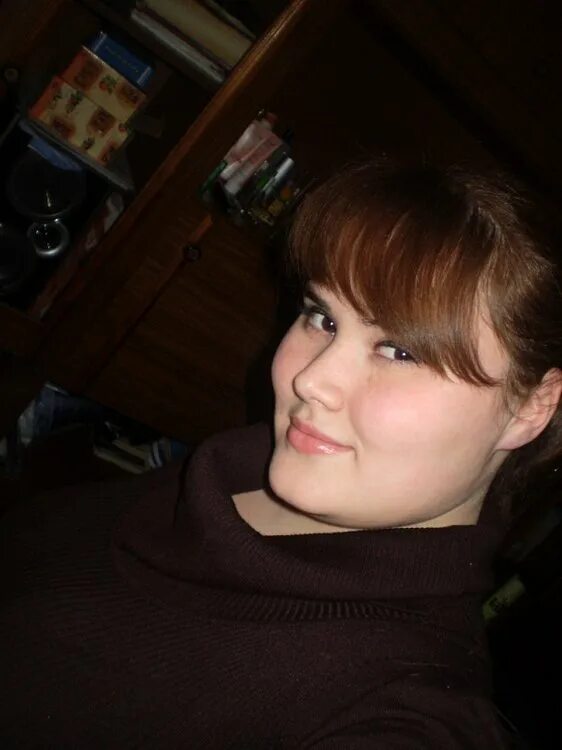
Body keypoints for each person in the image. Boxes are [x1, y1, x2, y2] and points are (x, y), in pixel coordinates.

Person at [1, 158, 561, 748]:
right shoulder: (232, 469)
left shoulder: (405, 706)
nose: (310, 380)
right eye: (322, 318)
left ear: (531, 407)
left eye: (399, 351)